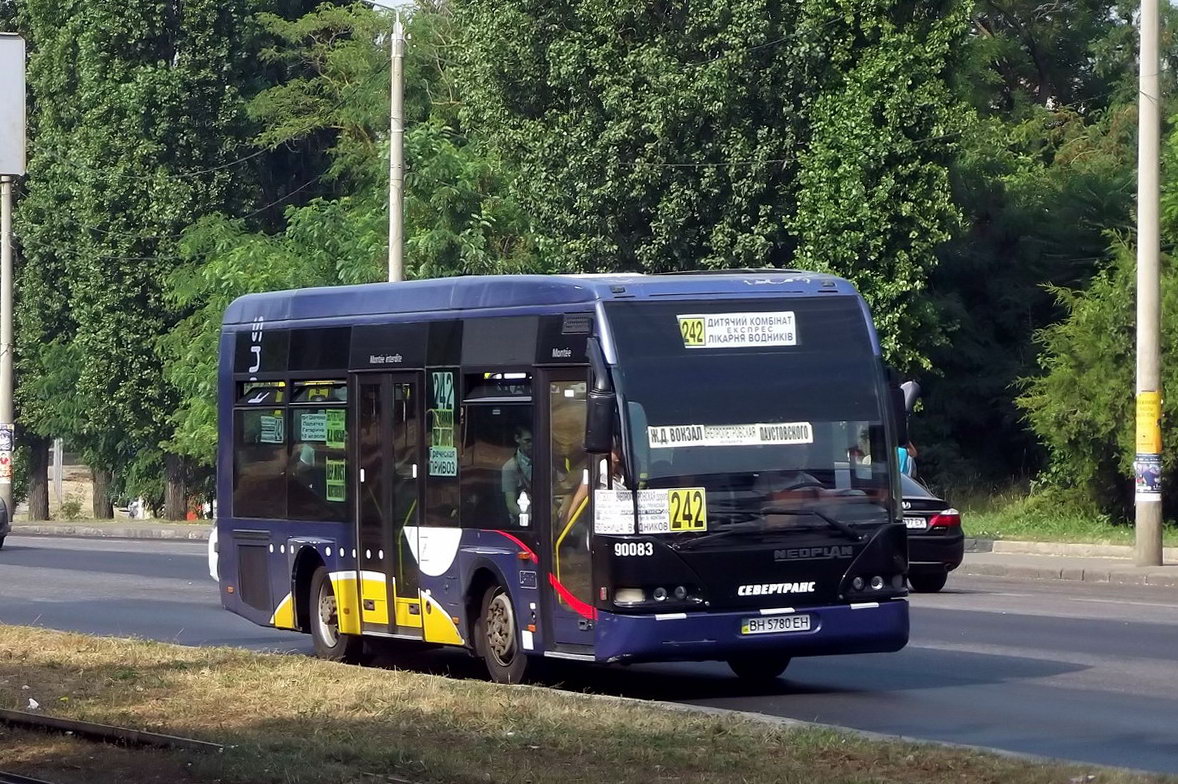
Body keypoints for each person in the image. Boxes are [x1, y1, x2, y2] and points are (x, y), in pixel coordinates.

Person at [501, 426, 533, 524]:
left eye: (533, 440)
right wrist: (529, 517)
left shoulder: (546, 461)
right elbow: (511, 505)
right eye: (527, 441)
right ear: (517, 439)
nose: (531, 444)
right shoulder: (510, 467)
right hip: (523, 521)